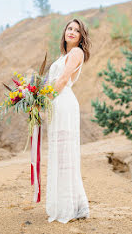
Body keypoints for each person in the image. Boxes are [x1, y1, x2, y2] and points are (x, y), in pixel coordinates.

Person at [46, 18, 91, 223]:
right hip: (56, 102)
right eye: (69, 28)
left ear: (81, 36)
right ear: (64, 32)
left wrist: (41, 100)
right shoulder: (63, 55)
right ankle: (73, 205)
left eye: (77, 30)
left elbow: (63, 80)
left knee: (65, 156)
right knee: (60, 154)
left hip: (63, 102)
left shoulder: (76, 53)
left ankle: (68, 207)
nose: (72, 32)